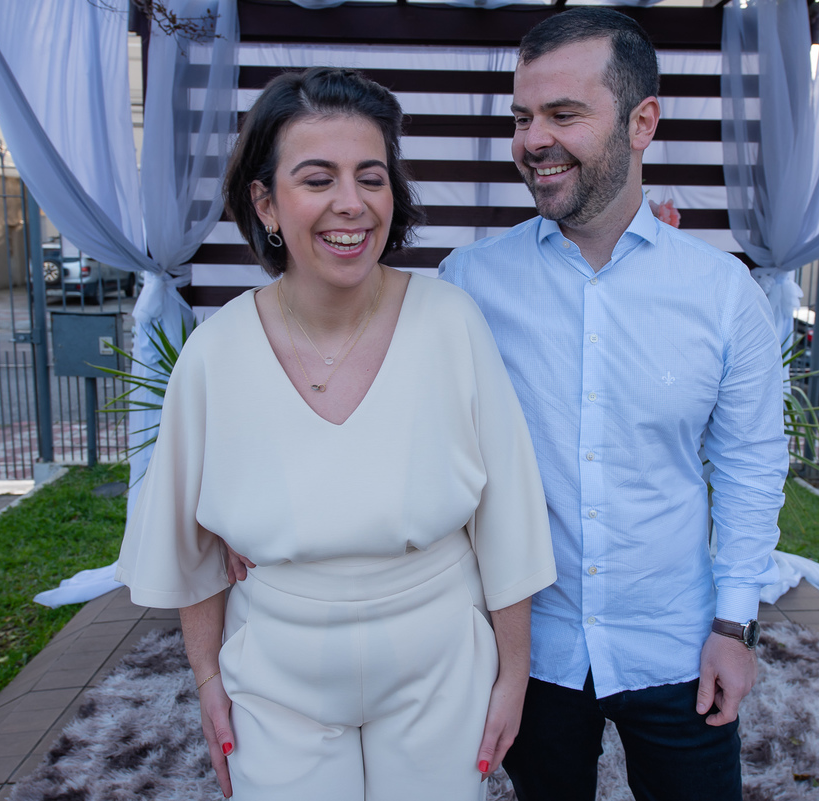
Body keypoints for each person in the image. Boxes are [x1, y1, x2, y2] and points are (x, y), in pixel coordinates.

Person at [115, 67, 556, 801]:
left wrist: (513, 674)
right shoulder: (217, 352)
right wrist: (207, 678)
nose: (351, 203)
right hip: (275, 671)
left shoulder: (450, 322)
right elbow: (190, 546)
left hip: (441, 663)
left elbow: (507, 517)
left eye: (371, 178)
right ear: (265, 202)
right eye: (318, 179)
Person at [437, 9, 787, 801]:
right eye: (522, 117)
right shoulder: (469, 284)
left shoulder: (722, 293)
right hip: (531, 647)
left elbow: (749, 463)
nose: (533, 140)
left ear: (642, 122)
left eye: (563, 114)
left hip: (677, 644)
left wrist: (735, 625)